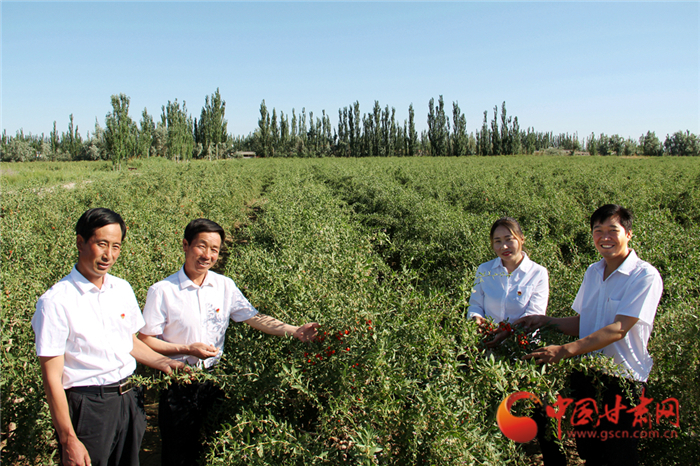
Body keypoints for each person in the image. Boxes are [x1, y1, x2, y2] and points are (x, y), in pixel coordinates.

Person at [138, 218, 320, 466]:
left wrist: (295, 330)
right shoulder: (162, 291)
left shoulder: (224, 285)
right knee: (178, 452)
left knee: (215, 448)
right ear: (185, 245)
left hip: (216, 380)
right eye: (202, 246)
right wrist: (186, 349)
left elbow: (253, 317)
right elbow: (146, 339)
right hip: (178, 381)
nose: (208, 255)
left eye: (215, 249)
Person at [32, 208, 185, 466]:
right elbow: (52, 379)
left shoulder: (121, 288)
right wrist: (68, 438)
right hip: (90, 407)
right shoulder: (56, 302)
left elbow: (130, 341)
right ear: (80, 242)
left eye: (116, 246)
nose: (109, 255)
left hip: (129, 399)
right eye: (102, 244)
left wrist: (165, 363)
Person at [518, 204, 663, 466]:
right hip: (586, 372)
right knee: (589, 448)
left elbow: (619, 329)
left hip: (623, 379)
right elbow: (585, 322)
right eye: (598, 230)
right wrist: (546, 321)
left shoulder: (645, 275)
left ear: (628, 234)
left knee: (619, 452)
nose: (604, 237)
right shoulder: (593, 271)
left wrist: (564, 350)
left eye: (612, 230)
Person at [468, 217, 549, 345]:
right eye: (497, 241)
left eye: (509, 239)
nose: (504, 246)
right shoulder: (484, 270)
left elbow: (534, 315)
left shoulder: (538, 273)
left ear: (521, 239)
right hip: (487, 343)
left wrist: (510, 331)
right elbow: (475, 304)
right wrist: (476, 318)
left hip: (522, 346)